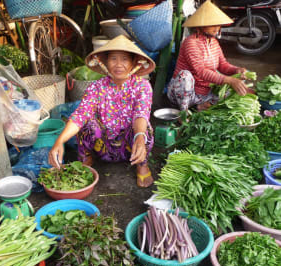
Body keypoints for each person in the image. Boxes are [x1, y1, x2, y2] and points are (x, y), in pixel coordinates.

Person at [48, 35, 156, 188]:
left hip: (131, 148)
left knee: (146, 130)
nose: (118, 64)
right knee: (86, 123)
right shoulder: (97, 87)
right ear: (105, 62)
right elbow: (80, 114)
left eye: (125, 59)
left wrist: (139, 138)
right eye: (113, 59)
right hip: (103, 147)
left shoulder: (142, 86)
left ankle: (142, 164)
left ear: (133, 63)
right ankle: (86, 159)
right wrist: (59, 142)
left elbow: (141, 113)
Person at [167, 0, 249, 112]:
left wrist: (236, 70)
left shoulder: (214, 42)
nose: (217, 27)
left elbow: (222, 65)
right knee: (185, 76)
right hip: (184, 93)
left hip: (205, 94)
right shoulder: (191, 42)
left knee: (235, 90)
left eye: (218, 24)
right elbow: (200, 71)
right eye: (212, 24)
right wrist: (229, 80)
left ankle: (199, 106)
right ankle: (184, 112)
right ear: (200, 25)